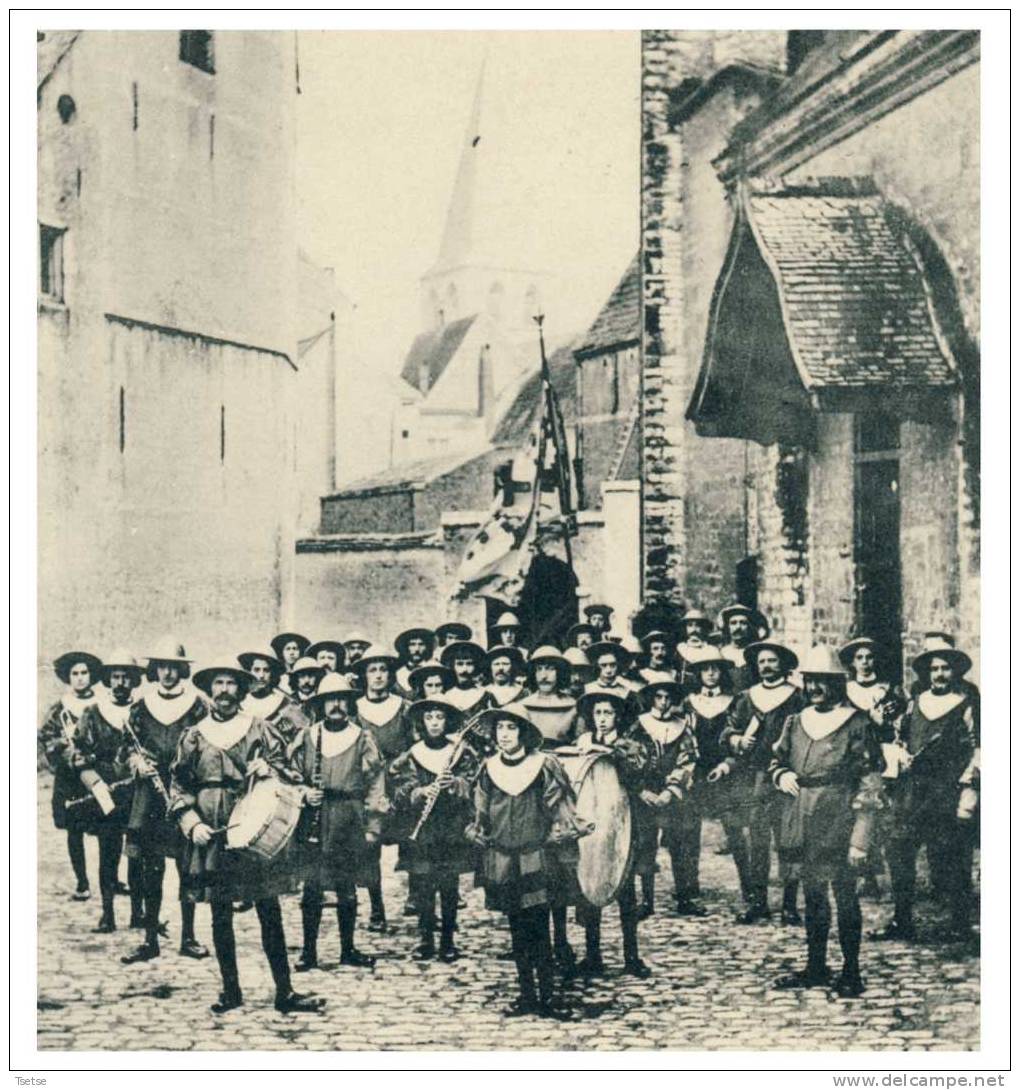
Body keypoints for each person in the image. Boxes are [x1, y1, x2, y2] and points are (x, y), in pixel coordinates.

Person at [169, 660, 324, 1015]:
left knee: (268, 909)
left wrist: (269, 769)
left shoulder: (260, 728)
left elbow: (291, 769)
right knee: (220, 913)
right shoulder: (194, 734)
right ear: (210, 690)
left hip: (252, 822)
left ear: (241, 690)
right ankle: (231, 990)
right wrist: (191, 822)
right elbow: (179, 784)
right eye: (218, 684)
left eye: (230, 684)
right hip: (211, 827)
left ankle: (285, 991)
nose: (224, 691)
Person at [769, 646, 887, 998]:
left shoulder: (857, 723)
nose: (816, 688)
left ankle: (851, 970)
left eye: (823, 681)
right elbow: (776, 758)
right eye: (810, 681)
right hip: (801, 819)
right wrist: (781, 775)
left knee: (845, 895)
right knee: (813, 894)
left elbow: (870, 781)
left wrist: (860, 838)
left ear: (837, 684)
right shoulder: (796, 720)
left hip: (839, 819)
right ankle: (816, 966)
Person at [466, 705, 590, 1017]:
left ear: (522, 732)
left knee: (539, 925)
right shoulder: (488, 768)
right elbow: (480, 812)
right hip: (503, 859)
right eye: (500, 729)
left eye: (511, 728)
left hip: (537, 856)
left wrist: (564, 830)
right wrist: (477, 831)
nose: (504, 735)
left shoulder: (543, 765)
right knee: (516, 928)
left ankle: (548, 996)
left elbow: (559, 807)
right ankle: (526, 996)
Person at [874, 637, 979, 944]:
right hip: (912, 792)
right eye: (934, 669)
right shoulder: (915, 703)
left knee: (955, 858)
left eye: (946, 668)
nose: (940, 674)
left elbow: (978, 749)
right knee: (901, 853)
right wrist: (901, 754)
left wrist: (968, 788)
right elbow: (899, 738)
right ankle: (902, 920)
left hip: (947, 791)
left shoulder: (968, 706)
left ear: (955, 672)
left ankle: (959, 923)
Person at [289, 673, 386, 972]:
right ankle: (308, 951)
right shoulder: (307, 737)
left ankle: (348, 948)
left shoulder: (362, 738)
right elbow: (290, 775)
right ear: (321, 704)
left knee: (346, 885)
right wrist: (304, 792)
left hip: (349, 817)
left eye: (342, 699)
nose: (336, 706)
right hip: (315, 819)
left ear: (349, 703)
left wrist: (373, 826)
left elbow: (375, 783)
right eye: (330, 700)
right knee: (312, 887)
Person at [120, 638, 208, 964]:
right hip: (150, 799)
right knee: (149, 868)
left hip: (184, 793)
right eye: (161, 666)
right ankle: (150, 938)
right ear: (154, 670)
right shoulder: (141, 707)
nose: (167, 672)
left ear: (182, 669)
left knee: (187, 867)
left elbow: (209, 743)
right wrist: (136, 762)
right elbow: (125, 747)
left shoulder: (199, 705)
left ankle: (188, 937)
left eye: (173, 666)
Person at [389, 697, 479, 961]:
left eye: (439, 717)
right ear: (421, 722)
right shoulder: (412, 753)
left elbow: (475, 783)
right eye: (429, 718)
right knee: (424, 884)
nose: (435, 723)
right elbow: (398, 789)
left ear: (447, 721)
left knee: (449, 884)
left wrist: (456, 783)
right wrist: (420, 791)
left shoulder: (461, 751)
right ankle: (426, 938)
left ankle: (448, 940)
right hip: (423, 828)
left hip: (451, 826)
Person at [721, 640, 805, 924]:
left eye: (771, 661)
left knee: (788, 841)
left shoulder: (797, 697)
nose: (767, 666)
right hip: (754, 776)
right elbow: (729, 728)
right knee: (757, 841)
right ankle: (758, 902)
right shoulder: (747, 697)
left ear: (782, 664)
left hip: (786, 776)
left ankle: (790, 904)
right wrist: (736, 739)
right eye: (762, 662)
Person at [573, 692, 652, 978]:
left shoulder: (630, 745)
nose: (602, 719)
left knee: (625, 892)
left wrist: (608, 750)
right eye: (598, 714)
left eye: (607, 713)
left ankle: (632, 957)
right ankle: (593, 956)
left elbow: (638, 769)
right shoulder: (582, 743)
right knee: (590, 885)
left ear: (617, 716)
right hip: (594, 824)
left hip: (623, 824)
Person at [675, 646, 753, 916]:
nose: (710, 673)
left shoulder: (735, 701)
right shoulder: (688, 703)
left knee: (736, 832)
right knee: (688, 833)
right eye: (705, 668)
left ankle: (751, 891)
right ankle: (688, 893)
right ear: (697, 673)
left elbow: (740, 739)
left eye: (715, 668)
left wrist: (728, 764)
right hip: (695, 774)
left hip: (726, 775)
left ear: (722, 672)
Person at [518, 646, 583, 972]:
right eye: (539, 668)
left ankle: (560, 936)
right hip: (528, 786)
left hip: (562, 784)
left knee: (558, 867)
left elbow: (582, 745)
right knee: (530, 864)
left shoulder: (573, 707)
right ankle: (530, 938)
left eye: (551, 669)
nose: (545, 675)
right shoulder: (520, 707)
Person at [72, 650, 145, 932]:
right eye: (115, 676)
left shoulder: (142, 711)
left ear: (135, 680)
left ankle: (138, 912)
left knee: (138, 853)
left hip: (138, 793)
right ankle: (107, 913)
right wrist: (95, 783)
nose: (120, 682)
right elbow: (78, 756)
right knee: (108, 852)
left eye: (126, 677)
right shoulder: (93, 713)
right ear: (107, 680)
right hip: (106, 794)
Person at [839, 637, 906, 898]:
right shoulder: (845, 690)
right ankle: (864, 874)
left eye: (869, 657)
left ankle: (885, 875)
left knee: (882, 814)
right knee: (857, 812)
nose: (865, 662)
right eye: (860, 658)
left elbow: (901, 722)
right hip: (855, 758)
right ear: (853, 662)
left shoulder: (890, 690)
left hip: (883, 757)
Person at [354, 644, 412, 933]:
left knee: (414, 841)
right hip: (369, 785)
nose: (378, 675)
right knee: (370, 846)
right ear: (364, 675)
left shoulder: (404, 708)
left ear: (391, 675)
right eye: (372, 670)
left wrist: (398, 764)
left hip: (401, 782)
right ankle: (377, 908)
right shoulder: (355, 709)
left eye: (383, 670)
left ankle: (418, 899)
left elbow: (417, 745)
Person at [629, 680, 698, 919]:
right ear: (652, 699)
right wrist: (641, 790)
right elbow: (627, 758)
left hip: (673, 796)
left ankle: (685, 898)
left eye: (668, 697)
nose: (664, 702)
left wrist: (671, 789)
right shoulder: (639, 725)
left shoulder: (683, 726)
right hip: (646, 796)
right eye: (658, 697)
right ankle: (646, 902)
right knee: (646, 846)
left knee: (680, 846)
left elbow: (688, 759)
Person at [39, 649, 103, 900]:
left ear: (91, 675)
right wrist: (68, 755)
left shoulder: (101, 705)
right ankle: (82, 882)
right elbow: (47, 738)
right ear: (68, 677)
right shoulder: (60, 708)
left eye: (84, 673)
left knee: (107, 827)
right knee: (74, 830)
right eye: (74, 673)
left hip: (97, 773)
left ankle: (111, 879)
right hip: (70, 777)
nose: (79, 678)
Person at [238, 647, 310, 751]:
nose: (261, 675)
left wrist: (291, 733)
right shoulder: (240, 703)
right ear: (249, 672)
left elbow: (305, 735)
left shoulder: (285, 702)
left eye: (266, 670)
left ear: (273, 673)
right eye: (256, 670)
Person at [718, 605, 769, 694]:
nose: (738, 627)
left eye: (743, 623)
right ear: (728, 627)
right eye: (733, 623)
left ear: (749, 627)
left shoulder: (756, 653)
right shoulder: (720, 653)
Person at [440, 640, 495, 717]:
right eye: (459, 664)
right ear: (452, 666)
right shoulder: (447, 695)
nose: (464, 669)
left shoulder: (486, 695)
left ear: (476, 666)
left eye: (469, 664)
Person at [675, 609, 713, 692]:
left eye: (698, 625)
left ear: (703, 628)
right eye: (690, 625)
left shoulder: (710, 650)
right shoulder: (680, 649)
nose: (694, 629)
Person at [394, 626, 436, 698]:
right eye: (412, 644)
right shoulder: (398, 672)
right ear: (406, 647)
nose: (417, 649)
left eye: (421, 644)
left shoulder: (434, 668)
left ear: (427, 647)